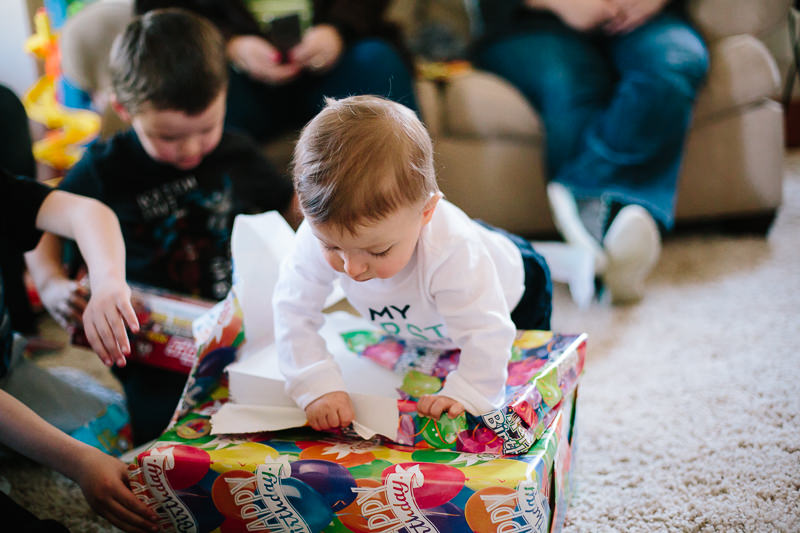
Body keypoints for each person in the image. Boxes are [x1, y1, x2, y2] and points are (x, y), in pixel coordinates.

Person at [25, 9, 299, 445]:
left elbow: (291, 207)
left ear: (225, 94)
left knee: (282, 411)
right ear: (124, 109)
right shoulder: (104, 169)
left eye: (206, 128)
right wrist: (52, 281)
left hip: (239, 328)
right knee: (166, 437)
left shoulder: (236, 152)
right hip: (148, 346)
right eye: (169, 137)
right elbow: (39, 221)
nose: (191, 147)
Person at [273, 95, 552, 431]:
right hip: (427, 319)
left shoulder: (453, 252)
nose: (352, 268)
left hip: (513, 294)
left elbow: (487, 332)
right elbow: (292, 309)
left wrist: (469, 391)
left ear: (426, 213)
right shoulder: (319, 233)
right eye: (332, 246)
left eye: (376, 252)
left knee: (523, 382)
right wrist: (315, 384)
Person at [472, 0, 709, 303]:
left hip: (646, 16)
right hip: (534, 24)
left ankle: (592, 210)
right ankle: (612, 229)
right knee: (570, 84)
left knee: (674, 59)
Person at [0, 169, 159, 532]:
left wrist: (107, 284)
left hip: (7, 366)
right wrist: (78, 462)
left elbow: (88, 213)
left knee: (115, 423)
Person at [134, 0, 419, 141]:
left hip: (338, 61)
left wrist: (338, 29)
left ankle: (408, 204)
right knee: (199, 83)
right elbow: (162, 12)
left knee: (379, 62)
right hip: (236, 74)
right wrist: (230, 44)